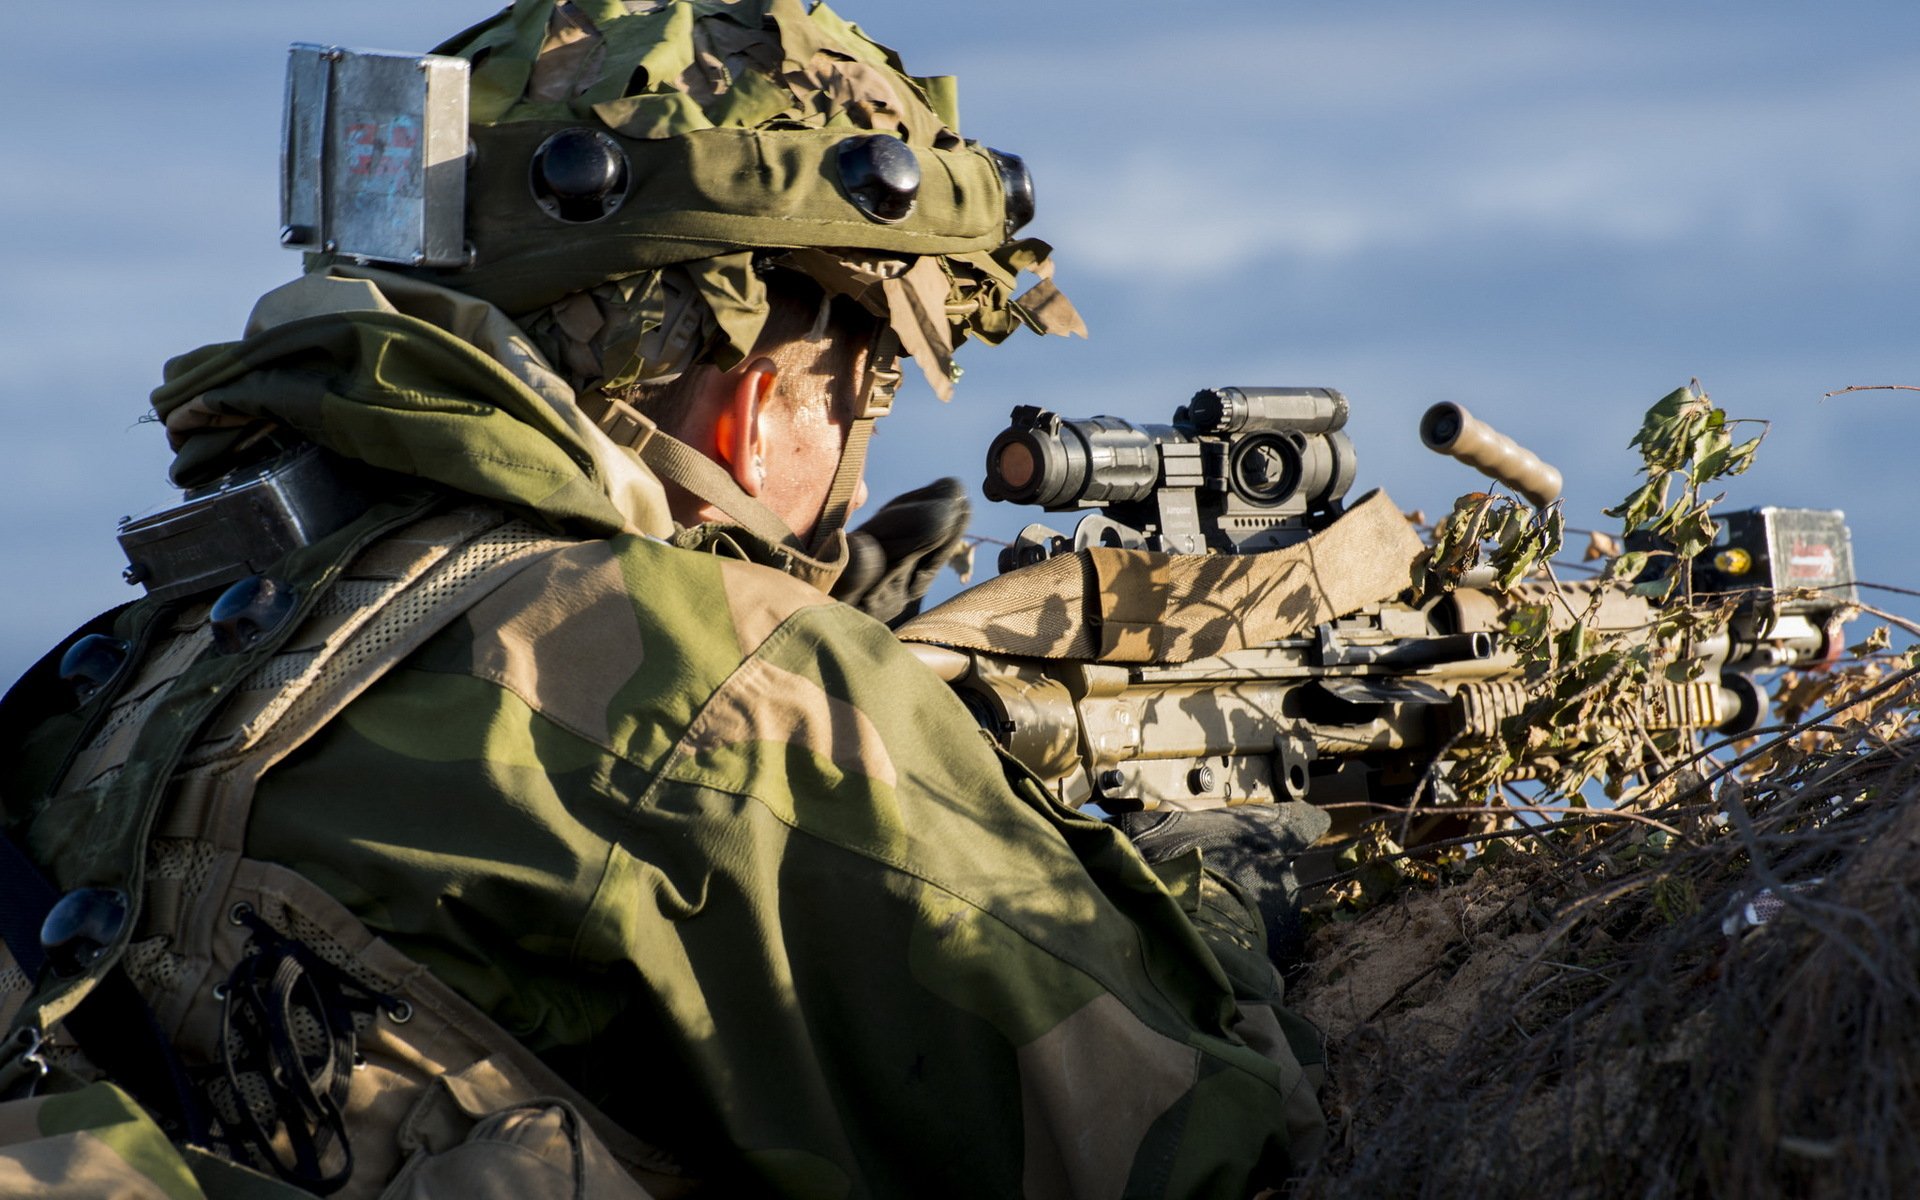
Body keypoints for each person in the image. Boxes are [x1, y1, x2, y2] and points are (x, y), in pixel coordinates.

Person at [0, 2, 1325, 1196]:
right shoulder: (736, 687)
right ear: (756, 402)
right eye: (863, 395)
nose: (859, 477)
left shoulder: (134, 661)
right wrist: (1214, 883)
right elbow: (1184, 1148)